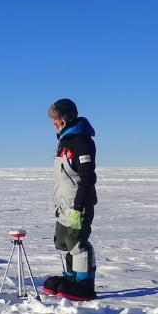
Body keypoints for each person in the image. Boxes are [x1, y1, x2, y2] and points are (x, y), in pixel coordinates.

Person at [42, 98, 98, 301]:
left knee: (77, 243)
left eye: (56, 118)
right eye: (53, 119)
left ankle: (84, 284)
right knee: (62, 242)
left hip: (77, 204)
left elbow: (87, 177)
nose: (54, 122)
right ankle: (71, 278)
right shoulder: (64, 141)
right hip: (63, 205)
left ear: (67, 117)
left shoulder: (82, 141)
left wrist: (79, 206)